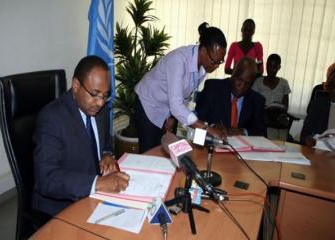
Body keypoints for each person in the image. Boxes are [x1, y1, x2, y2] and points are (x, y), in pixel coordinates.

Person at [32, 56, 130, 216]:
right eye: (95, 94)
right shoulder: (52, 118)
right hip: (62, 207)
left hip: (94, 195)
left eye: (105, 96)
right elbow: (46, 178)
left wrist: (107, 154)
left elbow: (106, 140)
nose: (100, 102)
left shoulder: (100, 109)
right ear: (76, 85)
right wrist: (97, 183)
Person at [135, 22, 227, 153]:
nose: (217, 66)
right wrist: (206, 128)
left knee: (168, 152)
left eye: (220, 61)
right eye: (214, 61)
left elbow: (183, 94)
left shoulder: (204, 67)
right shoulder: (178, 61)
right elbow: (177, 105)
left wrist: (173, 116)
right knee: (150, 152)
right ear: (203, 50)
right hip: (149, 104)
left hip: (168, 107)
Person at [196, 57, 266, 136]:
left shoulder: (257, 100)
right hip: (214, 143)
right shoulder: (213, 88)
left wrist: (243, 132)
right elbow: (198, 118)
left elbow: (262, 132)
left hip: (242, 147)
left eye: (247, 84)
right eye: (239, 80)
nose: (241, 86)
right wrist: (212, 126)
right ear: (233, 73)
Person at [252, 54, 291, 141]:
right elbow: (254, 102)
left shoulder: (284, 83)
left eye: (274, 66)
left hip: (278, 116)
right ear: (266, 66)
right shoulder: (258, 82)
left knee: (281, 124)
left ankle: (280, 144)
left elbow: (285, 105)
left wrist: (280, 113)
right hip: (263, 115)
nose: (271, 69)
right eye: (269, 66)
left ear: (279, 67)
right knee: (268, 123)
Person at [301, 63, 335, 146]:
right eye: (333, 86)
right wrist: (309, 141)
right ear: (329, 87)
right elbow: (304, 136)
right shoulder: (318, 105)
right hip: (321, 151)